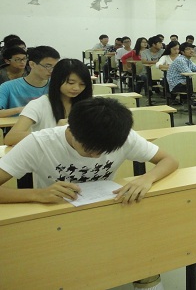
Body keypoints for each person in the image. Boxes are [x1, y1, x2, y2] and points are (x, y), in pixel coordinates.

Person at [0, 97, 178, 290]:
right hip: (56, 220)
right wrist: (38, 194)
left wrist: (147, 178)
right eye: (89, 149)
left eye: (103, 151)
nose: (95, 156)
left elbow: (169, 160)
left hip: (104, 212)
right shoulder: (39, 143)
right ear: (71, 130)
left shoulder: (121, 136)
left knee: (145, 257)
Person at [5, 59, 93, 146]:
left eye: (82, 84)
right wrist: (55, 132)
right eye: (71, 83)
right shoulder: (39, 104)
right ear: (57, 80)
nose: (76, 88)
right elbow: (11, 138)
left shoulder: (88, 105)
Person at [0, 46, 60, 118]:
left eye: (55, 67)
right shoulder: (8, 87)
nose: (52, 71)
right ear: (32, 64)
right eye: (48, 66)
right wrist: (23, 109)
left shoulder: (57, 86)